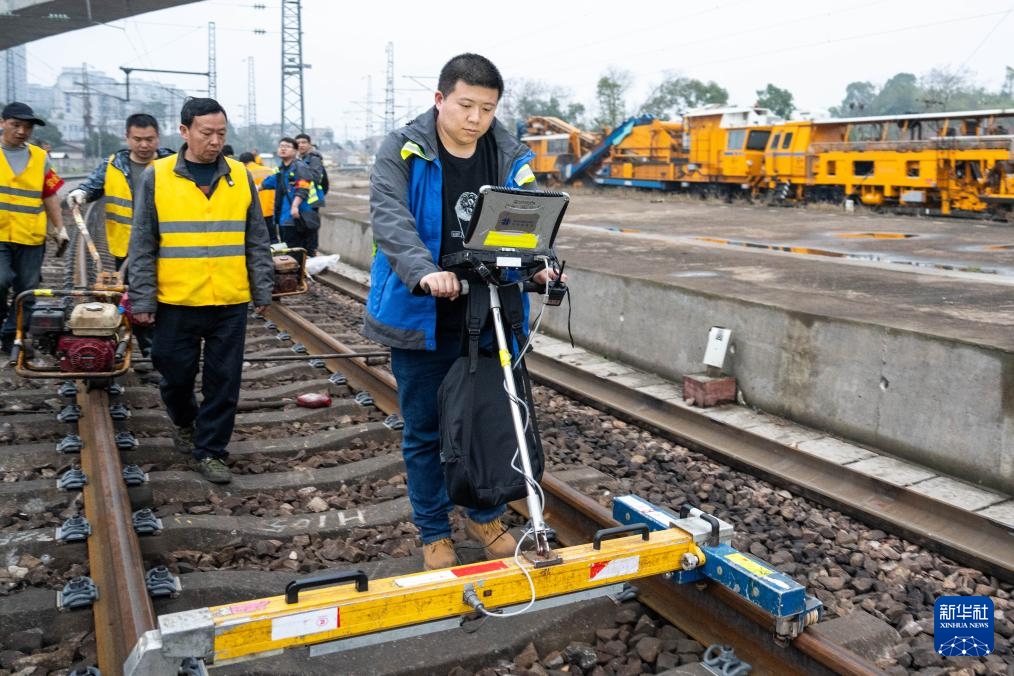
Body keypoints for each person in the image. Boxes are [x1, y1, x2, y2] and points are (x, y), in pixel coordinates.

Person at [365, 54, 563, 570]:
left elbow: (526, 222)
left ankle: (486, 514)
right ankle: (434, 532)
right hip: (424, 312)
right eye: (466, 105)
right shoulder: (403, 150)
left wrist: (540, 268)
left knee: (492, 420)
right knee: (427, 429)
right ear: (440, 99)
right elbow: (391, 220)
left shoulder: (508, 154)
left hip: (495, 309)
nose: (476, 118)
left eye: (487, 108)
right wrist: (422, 270)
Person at [128, 98, 273, 484]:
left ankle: (212, 451)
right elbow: (142, 243)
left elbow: (257, 238)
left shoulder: (240, 176)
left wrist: (262, 290)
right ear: (184, 131)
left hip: (229, 299)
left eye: (221, 134)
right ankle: (185, 419)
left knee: (224, 381)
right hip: (176, 299)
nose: (214, 141)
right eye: (206, 133)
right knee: (174, 374)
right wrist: (142, 300)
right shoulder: (157, 176)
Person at [67, 114, 174, 357]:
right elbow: (93, 185)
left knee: (167, 299)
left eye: (149, 139)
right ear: (127, 137)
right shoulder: (113, 164)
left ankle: (165, 349)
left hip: (167, 246)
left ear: (158, 138)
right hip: (125, 247)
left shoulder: (172, 164)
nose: (144, 145)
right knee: (134, 300)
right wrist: (81, 193)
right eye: (138, 139)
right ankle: (148, 350)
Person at [0, 102, 67, 354]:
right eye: (16, 125)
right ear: (2, 123)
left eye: (27, 127)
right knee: (1, 280)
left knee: (27, 290)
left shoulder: (40, 157)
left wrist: (60, 228)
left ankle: (11, 337)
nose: (21, 131)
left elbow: (49, 195)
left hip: (30, 236)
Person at [260, 137, 317, 251]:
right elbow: (267, 183)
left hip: (295, 217)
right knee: (288, 248)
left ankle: (300, 267)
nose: (283, 149)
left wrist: (295, 205)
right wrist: (256, 187)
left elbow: (303, 187)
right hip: (283, 218)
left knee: (295, 250)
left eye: (287, 146)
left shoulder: (299, 167)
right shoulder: (281, 170)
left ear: (295, 151)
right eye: (281, 146)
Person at [295, 133, 327, 255]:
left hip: (312, 201)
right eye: (298, 143)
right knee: (301, 230)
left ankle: (311, 255)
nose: (301, 145)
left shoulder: (314, 159)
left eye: (304, 142)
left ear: (309, 144)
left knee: (310, 230)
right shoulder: (299, 159)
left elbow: (316, 178)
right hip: (301, 199)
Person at [240, 151, 277, 243]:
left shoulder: (244, 172)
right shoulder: (269, 170)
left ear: (243, 163)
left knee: (258, 240)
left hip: (256, 211)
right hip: (271, 209)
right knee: (273, 239)